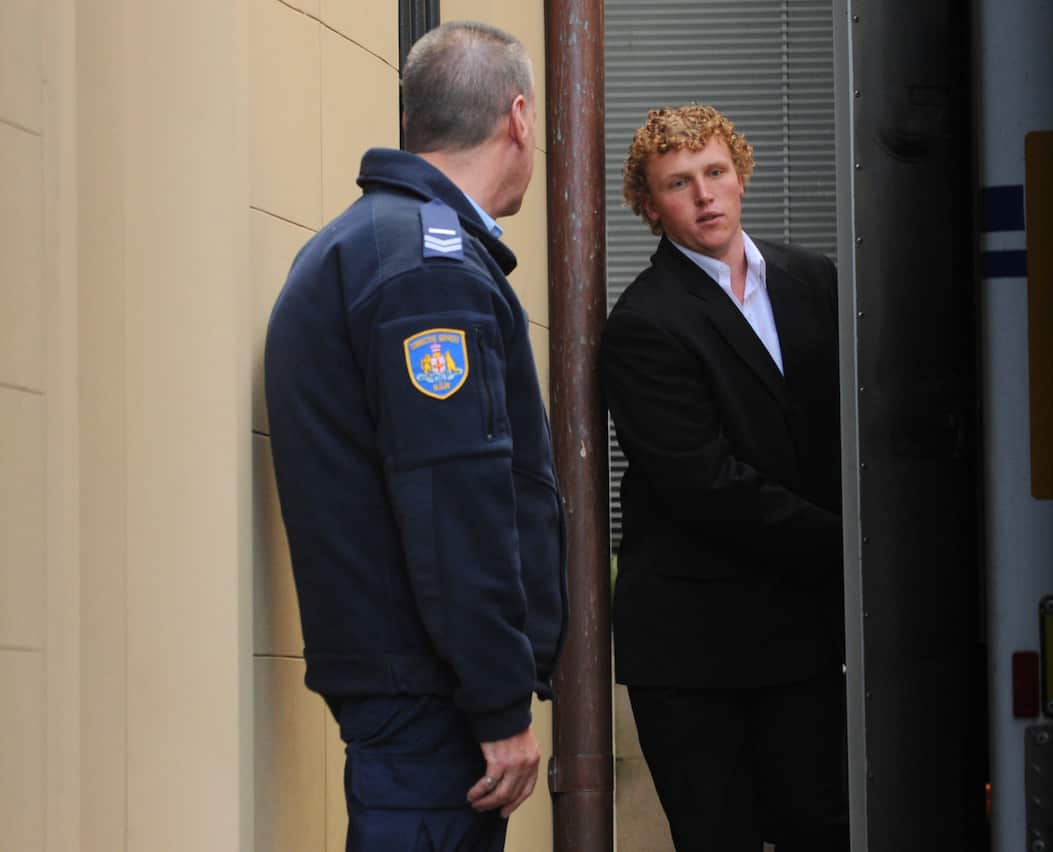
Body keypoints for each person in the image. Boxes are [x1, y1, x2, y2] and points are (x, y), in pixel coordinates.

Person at [264, 21, 566, 852]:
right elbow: (453, 507)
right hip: (430, 699)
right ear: (519, 118)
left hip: (414, 686)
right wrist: (499, 704)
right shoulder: (429, 272)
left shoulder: (369, 245)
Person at [600, 104, 848, 851]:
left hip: (803, 631)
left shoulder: (814, 279)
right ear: (650, 208)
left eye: (715, 171)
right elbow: (705, 485)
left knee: (825, 830)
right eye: (679, 183)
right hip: (697, 648)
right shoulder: (644, 322)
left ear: (741, 176)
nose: (704, 195)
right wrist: (853, 543)